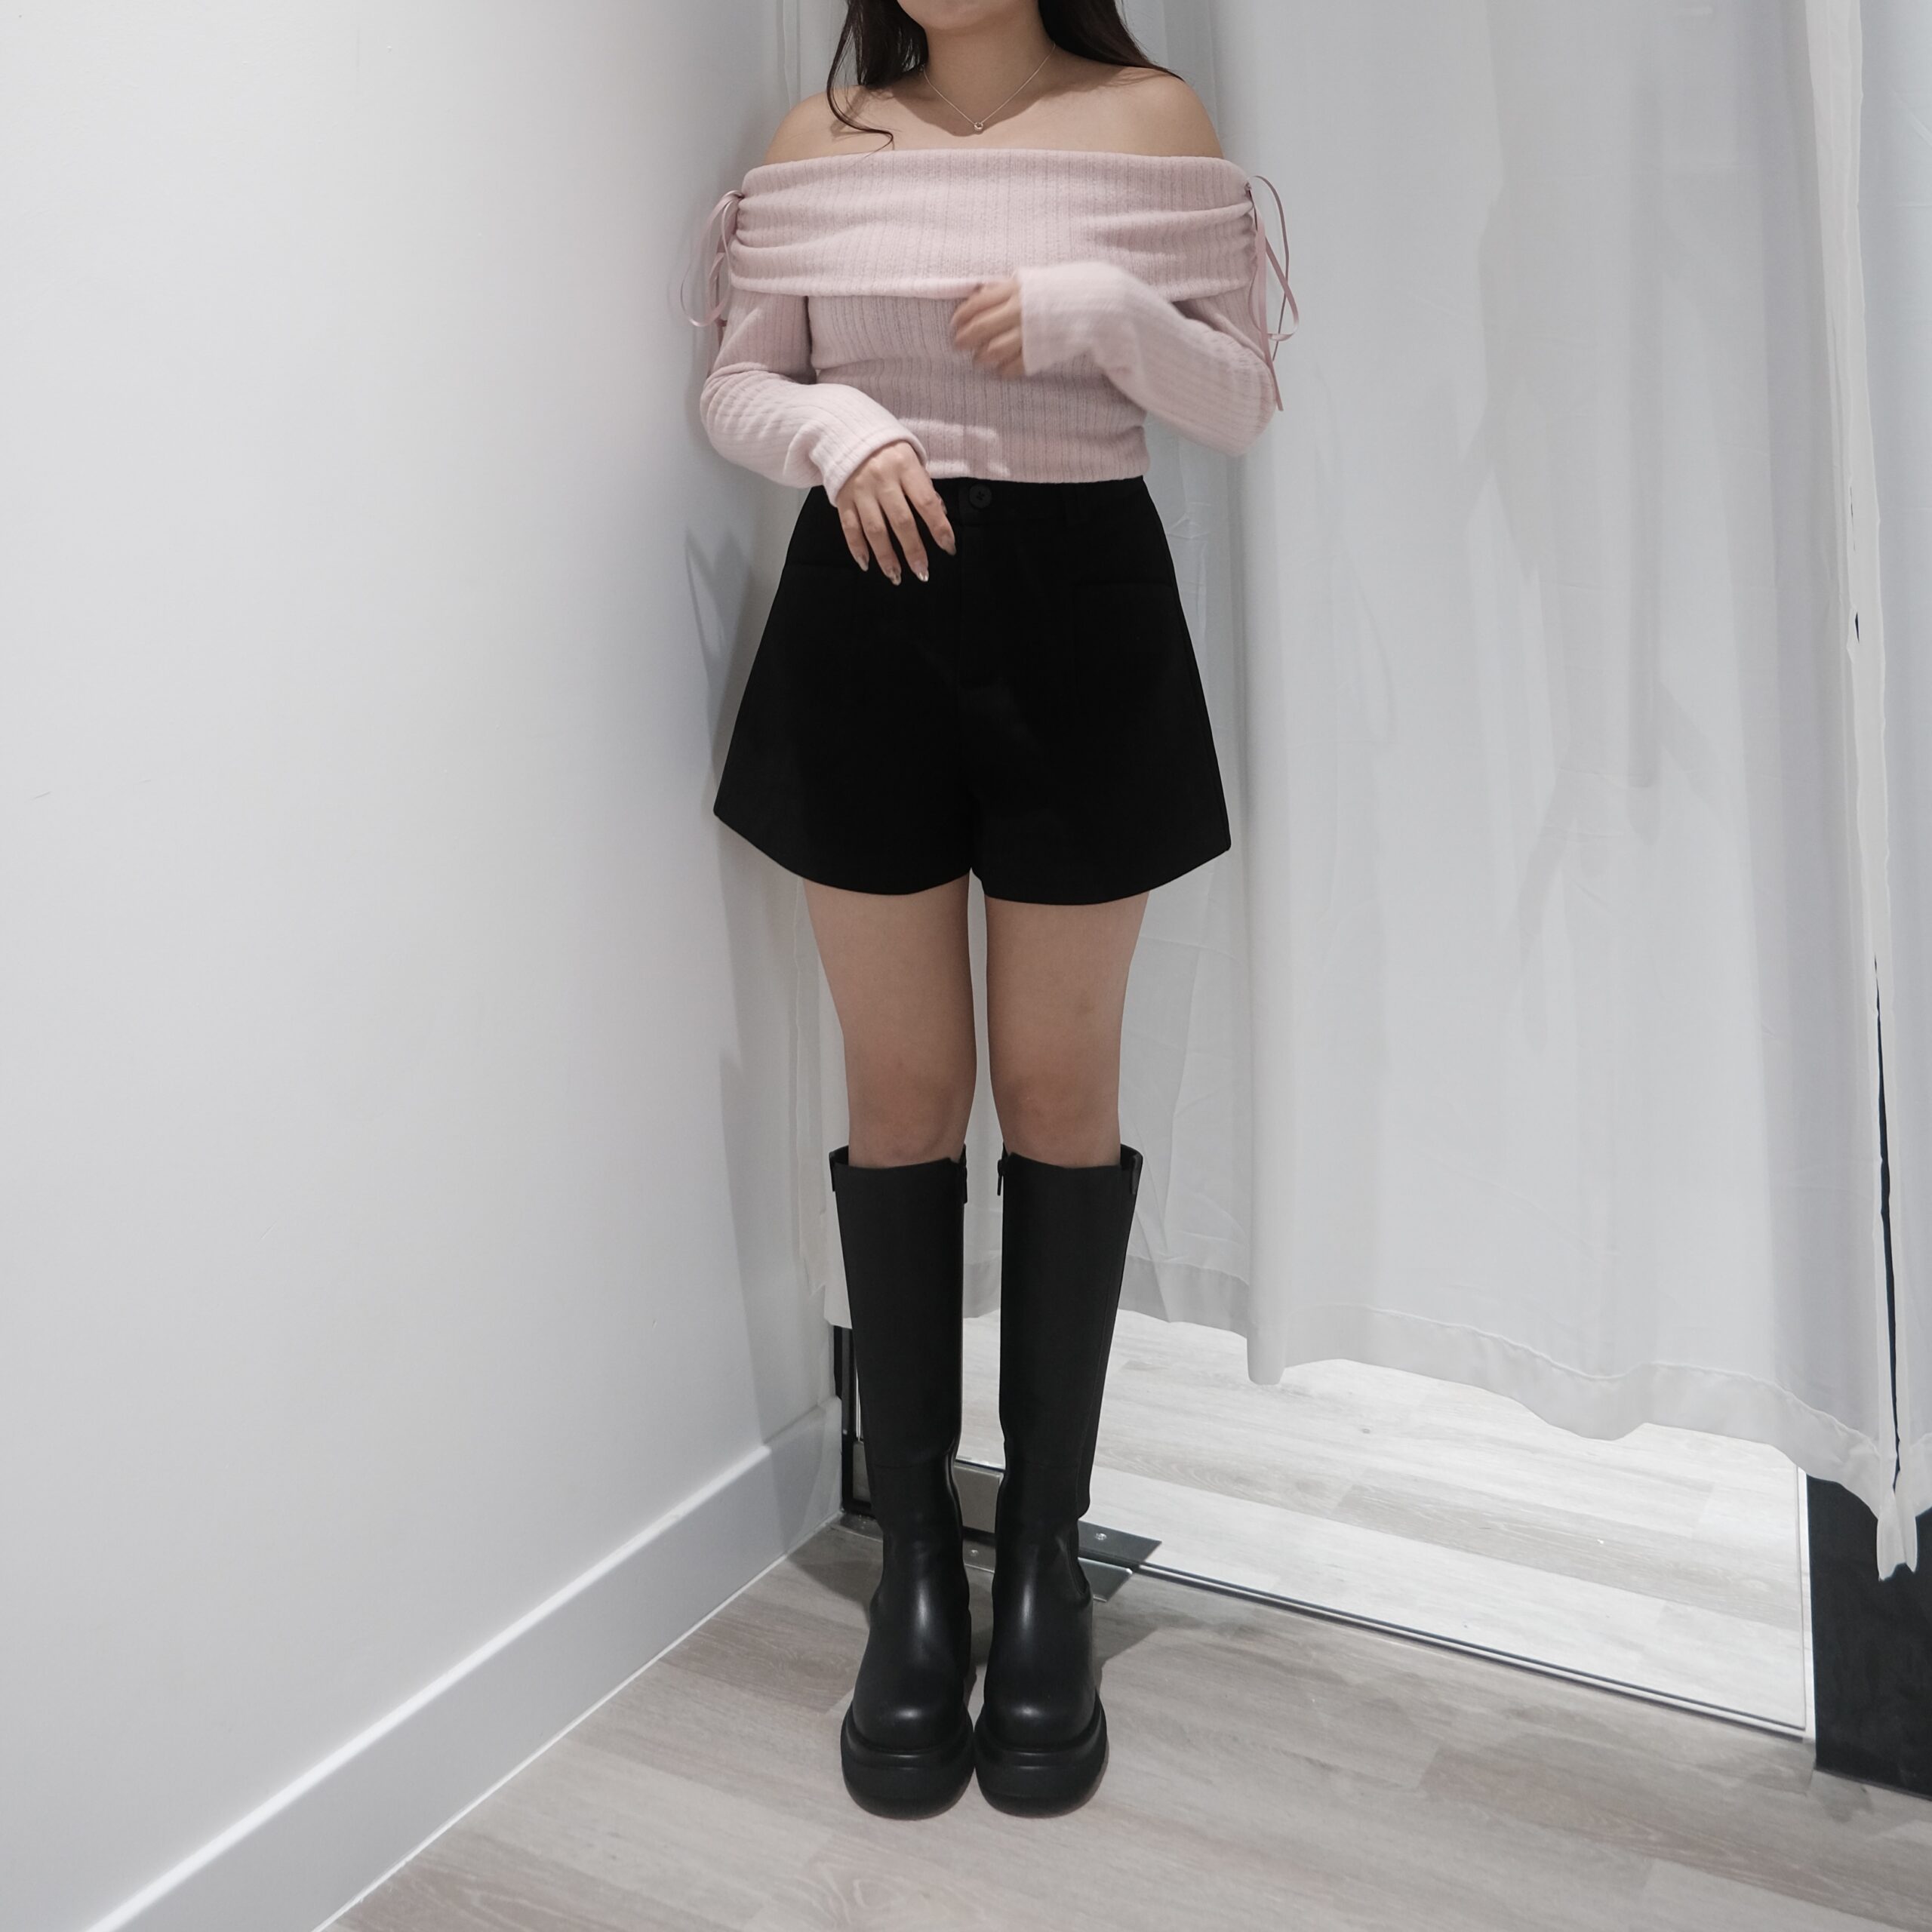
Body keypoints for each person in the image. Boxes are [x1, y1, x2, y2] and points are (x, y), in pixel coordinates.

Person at [682, 0, 1293, 1820]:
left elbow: (1237, 397)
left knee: (1054, 1092)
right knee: (898, 1096)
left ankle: (1039, 1561)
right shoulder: (819, 140)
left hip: (1079, 612)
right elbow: (732, 383)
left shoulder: (1149, 116)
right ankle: (916, 1570)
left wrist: (1105, 313)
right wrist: (833, 423)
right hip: (861, 619)